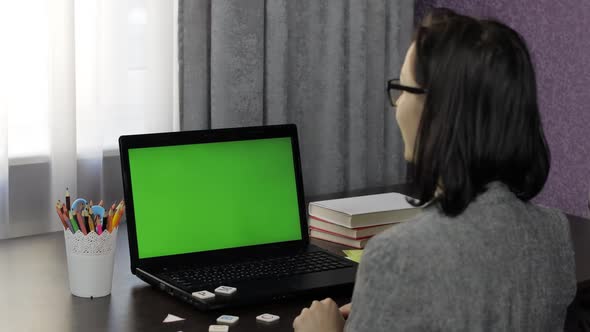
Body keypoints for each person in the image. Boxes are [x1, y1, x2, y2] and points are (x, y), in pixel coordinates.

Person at [293, 8, 576, 331]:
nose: (398, 104)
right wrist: (382, 302)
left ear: (441, 111)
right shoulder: (554, 231)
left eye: (404, 89)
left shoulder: (396, 255)